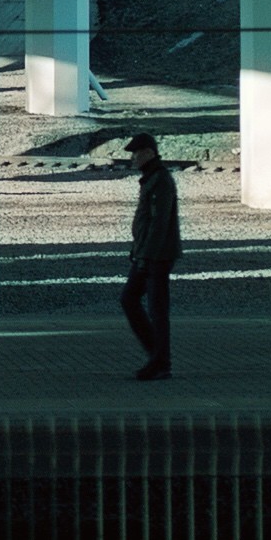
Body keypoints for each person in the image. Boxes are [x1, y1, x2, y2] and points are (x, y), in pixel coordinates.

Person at [119, 133, 179, 381]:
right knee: (133, 301)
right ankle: (157, 357)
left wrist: (145, 255)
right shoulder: (152, 178)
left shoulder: (160, 180)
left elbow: (158, 223)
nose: (133, 158)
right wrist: (138, 251)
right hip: (147, 253)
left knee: (155, 308)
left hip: (156, 256)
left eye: (136, 153)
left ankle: (160, 361)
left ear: (149, 153)